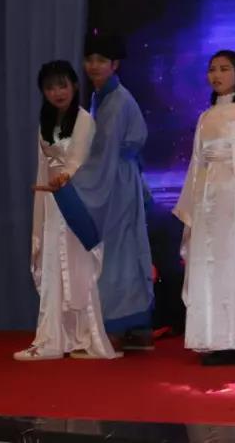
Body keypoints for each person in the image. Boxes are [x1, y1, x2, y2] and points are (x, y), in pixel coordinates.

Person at [15, 61, 119, 361]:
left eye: (62, 85)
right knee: (52, 265)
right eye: (50, 87)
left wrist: (64, 180)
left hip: (75, 200)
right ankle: (53, 338)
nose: (57, 92)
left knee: (78, 266)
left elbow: (79, 162)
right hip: (51, 201)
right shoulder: (46, 121)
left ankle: (86, 337)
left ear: (74, 85)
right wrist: (42, 198)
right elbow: (43, 164)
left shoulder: (84, 120)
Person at [173, 51, 235, 366]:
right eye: (212, 69)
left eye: (225, 69)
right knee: (209, 265)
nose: (216, 75)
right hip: (208, 198)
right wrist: (190, 207)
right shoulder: (205, 117)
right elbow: (196, 163)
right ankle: (211, 337)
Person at [69, 33, 154, 349]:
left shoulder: (116, 101)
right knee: (125, 251)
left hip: (115, 180)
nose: (94, 66)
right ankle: (135, 327)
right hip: (118, 177)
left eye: (101, 60)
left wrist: (71, 180)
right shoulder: (103, 95)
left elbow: (103, 151)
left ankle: (118, 325)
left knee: (118, 253)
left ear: (115, 64)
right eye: (90, 59)